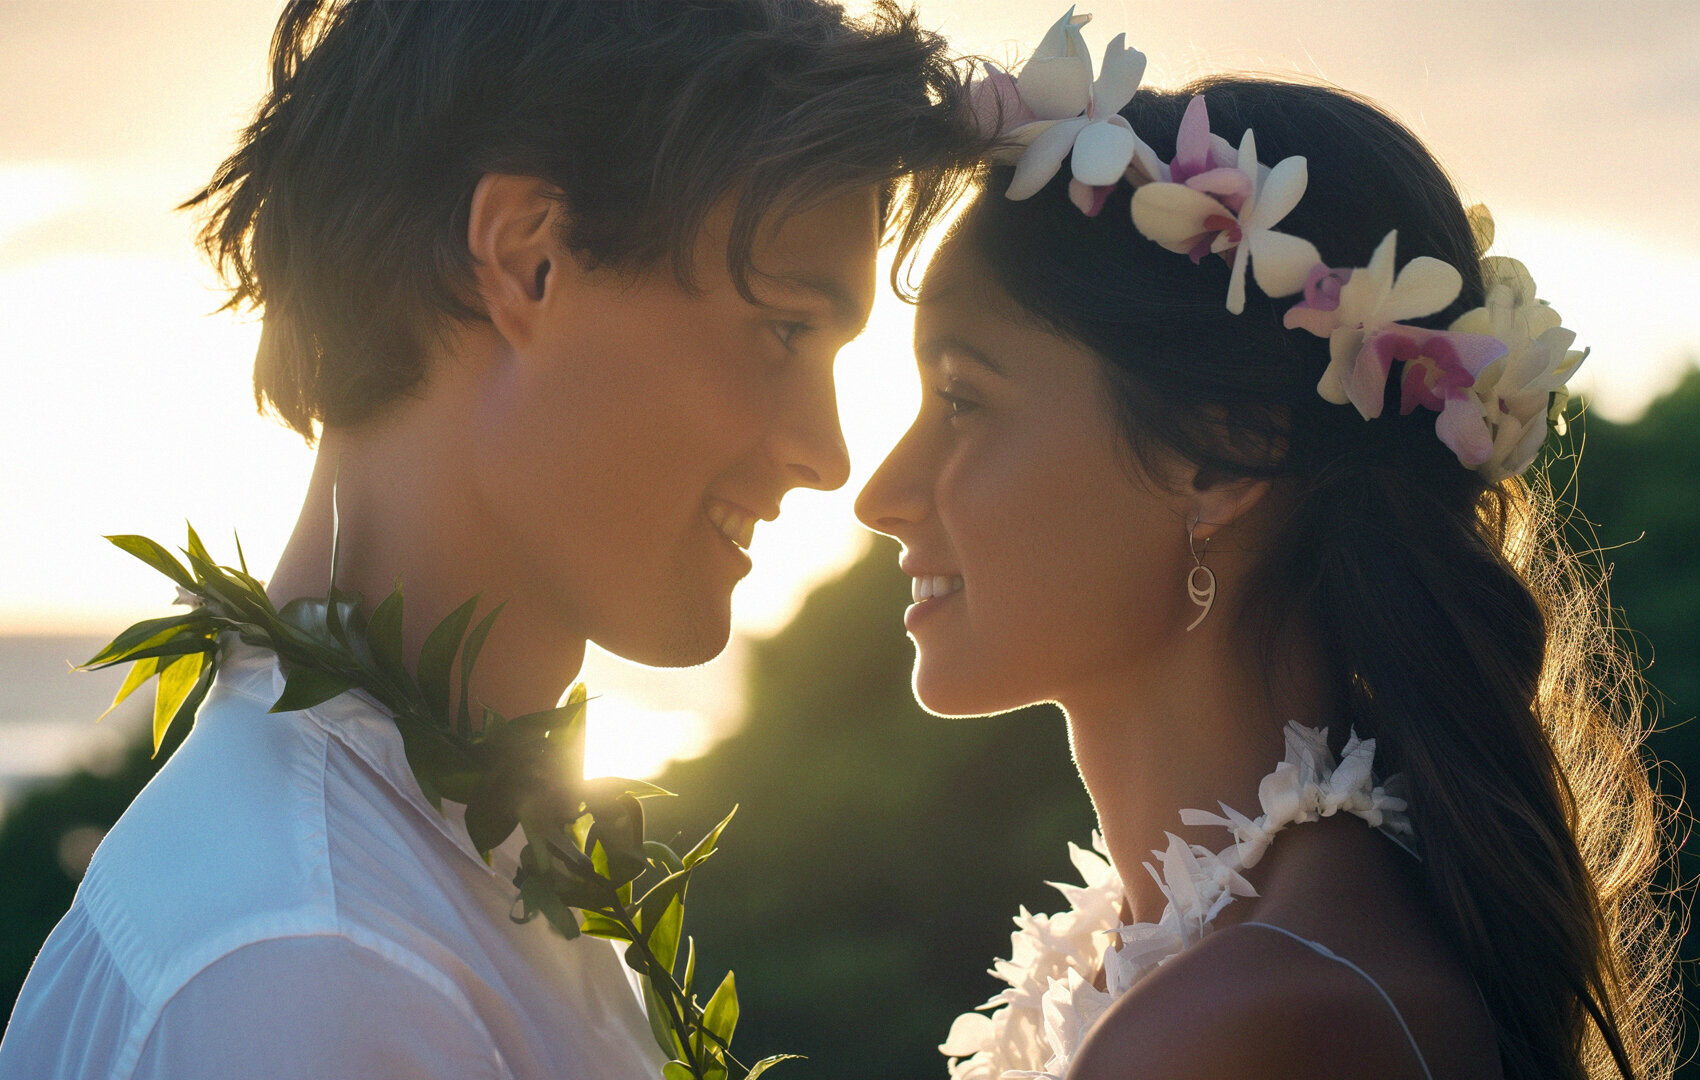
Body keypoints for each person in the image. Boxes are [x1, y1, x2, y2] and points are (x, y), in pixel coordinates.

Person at [0, 2, 982, 1077]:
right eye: (785, 330)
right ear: (528, 262)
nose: (826, 454)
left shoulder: (410, 872)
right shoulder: (322, 975)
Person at [855, 11, 1679, 1080]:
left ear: (1226, 452)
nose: (880, 494)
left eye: (961, 398)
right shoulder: (1250, 968)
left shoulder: (1248, 1024)